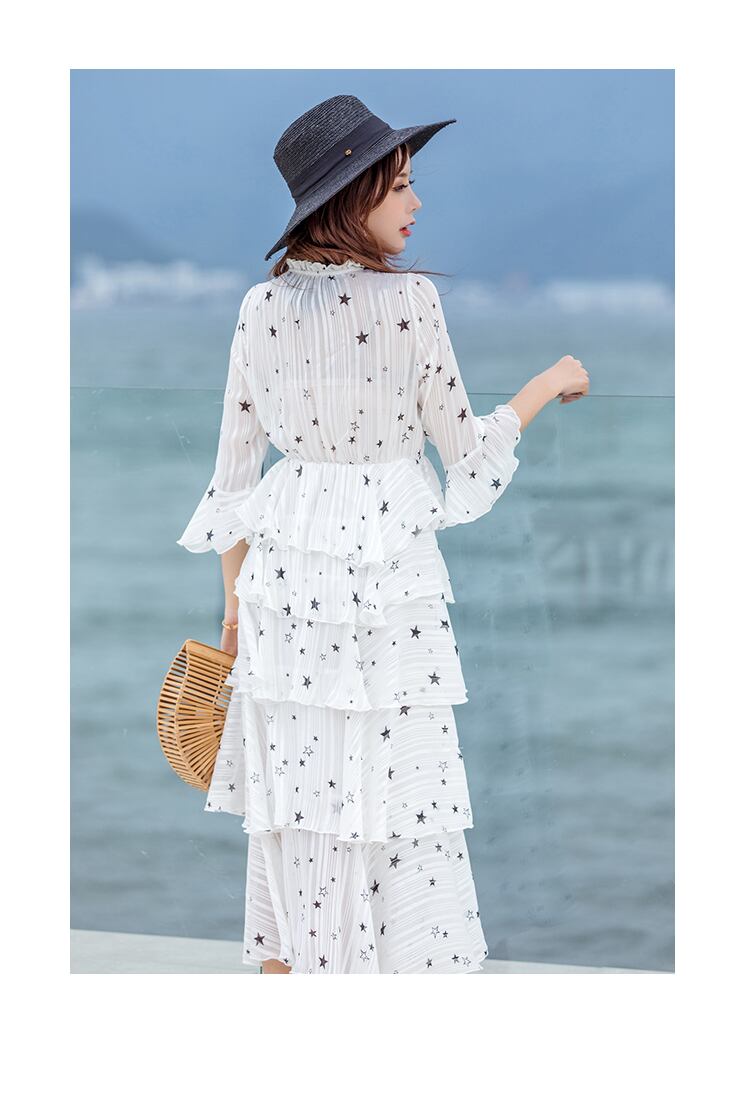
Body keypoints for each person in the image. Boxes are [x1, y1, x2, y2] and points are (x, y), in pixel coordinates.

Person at [176, 95, 589, 974]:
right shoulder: (410, 303)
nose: (416, 202)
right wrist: (547, 383)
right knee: (394, 798)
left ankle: (300, 975)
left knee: (299, 798)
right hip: (386, 591)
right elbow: (467, 465)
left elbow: (233, 485)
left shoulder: (260, 307)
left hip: (282, 596)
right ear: (350, 197)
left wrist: (233, 617)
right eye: (400, 185)